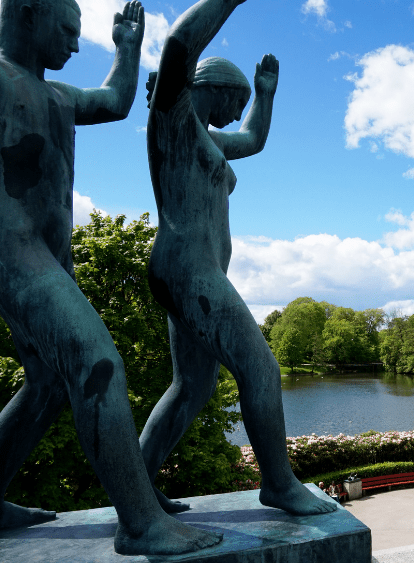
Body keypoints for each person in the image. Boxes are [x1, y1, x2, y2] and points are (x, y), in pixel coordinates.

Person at [0, 0, 222, 555]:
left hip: (44, 255)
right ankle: (141, 523)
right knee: (97, 364)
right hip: (5, 249)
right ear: (29, 12)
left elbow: (113, 101)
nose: (72, 44)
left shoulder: (58, 96)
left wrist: (127, 48)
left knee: (47, 384)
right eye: (67, 30)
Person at [139, 0, 337, 516]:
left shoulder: (207, 138)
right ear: (215, 89)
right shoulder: (173, 121)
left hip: (193, 273)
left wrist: (266, 96)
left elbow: (253, 139)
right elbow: (178, 46)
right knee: (262, 371)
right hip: (189, 270)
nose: (235, 112)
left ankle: (135, 487)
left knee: (193, 387)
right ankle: (278, 484)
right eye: (237, 100)